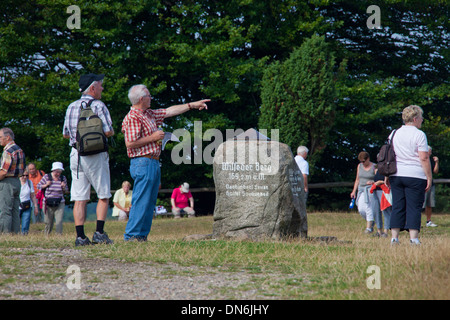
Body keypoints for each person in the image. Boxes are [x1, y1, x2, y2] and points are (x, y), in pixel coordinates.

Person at [122, 84, 209, 241]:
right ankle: (131, 237)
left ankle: (141, 237)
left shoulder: (148, 114)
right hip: (143, 161)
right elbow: (130, 143)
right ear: (141, 99)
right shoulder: (133, 117)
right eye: (149, 96)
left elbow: (169, 111)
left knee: (149, 203)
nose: (151, 99)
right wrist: (154, 137)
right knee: (141, 201)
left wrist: (191, 105)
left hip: (153, 162)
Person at [63, 73, 115, 246]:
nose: (102, 88)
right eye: (100, 85)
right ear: (92, 88)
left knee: (79, 197)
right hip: (96, 155)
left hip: (76, 154)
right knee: (103, 194)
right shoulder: (99, 106)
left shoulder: (71, 106)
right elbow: (108, 132)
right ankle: (99, 233)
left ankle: (80, 237)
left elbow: (65, 134)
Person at [386, 105, 432, 245]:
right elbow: (423, 158)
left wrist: (386, 176)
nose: (422, 120)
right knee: (414, 207)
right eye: (421, 117)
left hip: (396, 174)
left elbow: (389, 156)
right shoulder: (419, 134)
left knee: (398, 205)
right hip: (415, 175)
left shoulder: (394, 133)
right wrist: (429, 177)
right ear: (415, 118)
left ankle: (394, 237)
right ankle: (413, 238)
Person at [0, 128, 26, 234]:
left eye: (0, 137)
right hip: (16, 181)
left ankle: (4, 234)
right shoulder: (19, 150)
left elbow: (3, 172)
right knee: (15, 210)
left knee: (5, 210)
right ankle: (15, 234)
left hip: (7, 183)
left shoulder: (8, 151)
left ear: (7, 137)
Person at [37, 162, 69, 235]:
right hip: (48, 202)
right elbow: (38, 186)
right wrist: (46, 185)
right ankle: (47, 235)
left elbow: (66, 191)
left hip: (59, 201)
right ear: (53, 170)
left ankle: (58, 236)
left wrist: (63, 187)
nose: (58, 174)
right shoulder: (46, 177)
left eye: (59, 172)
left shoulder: (63, 178)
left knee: (59, 221)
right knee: (48, 221)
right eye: (57, 172)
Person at [350, 151, 376, 234]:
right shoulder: (359, 166)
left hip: (369, 189)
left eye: (364, 161)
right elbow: (357, 179)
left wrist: (372, 182)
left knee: (368, 207)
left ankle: (368, 228)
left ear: (368, 159)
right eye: (361, 161)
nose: (362, 163)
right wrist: (354, 191)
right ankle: (371, 222)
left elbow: (378, 179)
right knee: (360, 208)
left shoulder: (374, 166)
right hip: (361, 189)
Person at [370, 171, 392, 237]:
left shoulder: (389, 166)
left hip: (385, 190)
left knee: (386, 211)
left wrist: (382, 182)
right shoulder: (379, 167)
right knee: (376, 211)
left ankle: (385, 231)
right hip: (376, 189)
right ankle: (379, 231)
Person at [423, 146, 439, 227]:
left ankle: (428, 221)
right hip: (422, 184)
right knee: (419, 204)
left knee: (430, 203)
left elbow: (435, 171)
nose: (431, 153)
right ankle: (416, 221)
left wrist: (436, 162)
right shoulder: (420, 160)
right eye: (429, 151)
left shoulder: (431, 161)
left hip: (431, 184)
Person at [19, 170, 38, 235]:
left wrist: (35, 207)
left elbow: (32, 195)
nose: (24, 177)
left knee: (26, 223)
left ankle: (24, 235)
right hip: (17, 206)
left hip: (27, 205)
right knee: (16, 223)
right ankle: (15, 235)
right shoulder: (16, 182)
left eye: (26, 175)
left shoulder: (29, 183)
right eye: (23, 175)